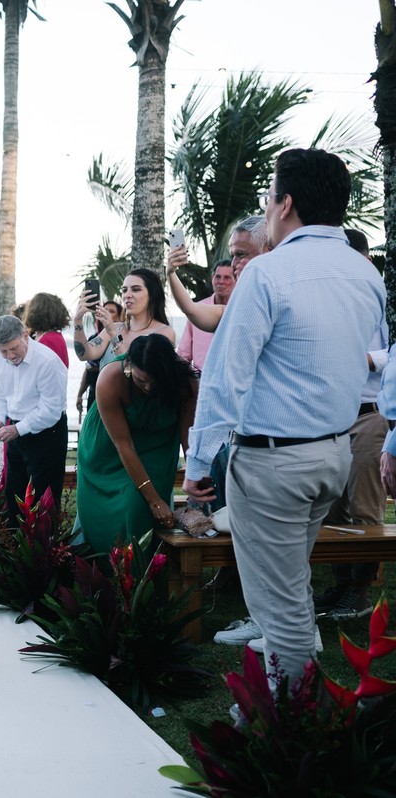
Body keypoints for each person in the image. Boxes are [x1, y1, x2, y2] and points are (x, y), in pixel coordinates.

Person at [184, 148, 384, 693]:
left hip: (275, 464)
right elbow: (368, 360)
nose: (267, 206)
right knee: (291, 585)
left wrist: (198, 463)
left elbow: (225, 377)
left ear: (285, 203)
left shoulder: (267, 273)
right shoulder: (365, 273)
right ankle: (285, 705)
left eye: (269, 196)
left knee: (279, 606)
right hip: (333, 455)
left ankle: (290, 718)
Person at [310, 228, 387, 621]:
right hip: (330, 417)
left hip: (370, 414)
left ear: (365, 258)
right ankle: (341, 584)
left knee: (363, 506)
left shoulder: (383, 299)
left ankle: (360, 591)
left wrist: (368, 359)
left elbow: (393, 352)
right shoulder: (330, 299)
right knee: (330, 506)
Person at [75, 334, 197, 556]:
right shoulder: (110, 378)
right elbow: (124, 445)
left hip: (158, 444)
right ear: (129, 365)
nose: (149, 388)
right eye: (141, 381)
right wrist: (154, 501)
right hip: (108, 447)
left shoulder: (186, 383)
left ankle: (144, 569)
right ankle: (108, 568)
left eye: (156, 382)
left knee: (138, 506)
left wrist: (194, 479)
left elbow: (188, 438)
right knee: (134, 504)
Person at [0, 315, 68, 522]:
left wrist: (17, 429)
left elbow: (51, 410)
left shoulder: (47, 361)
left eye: (14, 348)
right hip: (15, 430)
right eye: (4, 351)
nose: (10, 355)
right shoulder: (1, 358)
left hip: (47, 433)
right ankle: (14, 539)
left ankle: (43, 541)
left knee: (43, 498)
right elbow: (1, 395)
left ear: (25, 335)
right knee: (14, 491)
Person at [167, 215, 267, 336]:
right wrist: (171, 272)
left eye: (241, 254)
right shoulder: (236, 310)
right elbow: (190, 309)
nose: (234, 263)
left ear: (268, 250)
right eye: (233, 256)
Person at [73, 268, 174, 377]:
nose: (127, 295)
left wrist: (113, 335)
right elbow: (84, 354)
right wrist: (78, 320)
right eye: (124, 290)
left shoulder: (164, 332)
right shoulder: (115, 328)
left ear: (152, 295)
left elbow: (132, 373)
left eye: (135, 289)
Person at [175, 260, 235, 370]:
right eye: (217, 277)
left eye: (227, 278)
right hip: (201, 378)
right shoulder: (197, 311)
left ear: (237, 280)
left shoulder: (242, 311)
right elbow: (183, 355)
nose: (221, 282)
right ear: (212, 278)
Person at [76, 300, 122, 419]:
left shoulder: (122, 335)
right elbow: (84, 358)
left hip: (117, 396)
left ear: (119, 316)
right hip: (95, 393)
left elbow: (127, 367)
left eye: (111, 311)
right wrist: (80, 394)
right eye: (104, 310)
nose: (106, 313)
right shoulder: (96, 337)